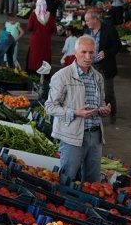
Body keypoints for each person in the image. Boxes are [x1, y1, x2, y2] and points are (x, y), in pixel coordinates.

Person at [45, 35, 112, 183]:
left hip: (95, 136)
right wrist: (74, 113)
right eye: (83, 52)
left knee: (92, 182)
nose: (88, 56)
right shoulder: (62, 76)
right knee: (67, 177)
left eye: (91, 52)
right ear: (75, 53)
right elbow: (50, 106)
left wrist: (104, 109)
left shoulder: (98, 77)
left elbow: (100, 102)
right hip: (72, 137)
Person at [83, 9, 121, 124]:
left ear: (95, 19)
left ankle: (112, 113)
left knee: (108, 91)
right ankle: (93, 114)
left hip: (105, 66)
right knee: (90, 91)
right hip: (91, 66)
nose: (86, 23)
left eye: (87, 20)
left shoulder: (109, 29)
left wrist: (106, 53)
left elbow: (117, 46)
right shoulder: (86, 31)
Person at [26, 0, 57, 77]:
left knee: (34, 58)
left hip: (35, 41)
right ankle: (44, 75)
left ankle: (33, 75)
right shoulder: (50, 16)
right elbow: (54, 29)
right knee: (45, 57)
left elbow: (29, 28)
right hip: (46, 41)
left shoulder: (33, 15)